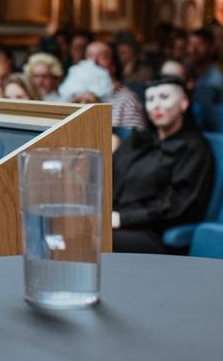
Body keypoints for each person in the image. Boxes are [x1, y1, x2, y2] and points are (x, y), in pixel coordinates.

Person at [112, 76, 214, 253]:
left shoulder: (195, 148)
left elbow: (180, 204)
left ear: (184, 102)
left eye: (164, 97)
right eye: (150, 99)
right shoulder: (137, 141)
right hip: (112, 221)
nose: (156, 105)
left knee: (88, 241)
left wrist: (122, 218)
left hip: (150, 232)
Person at [86, 41, 146, 129]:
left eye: (102, 56)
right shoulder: (79, 97)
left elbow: (134, 140)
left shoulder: (127, 100)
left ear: (113, 66)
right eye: (89, 56)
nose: (93, 62)